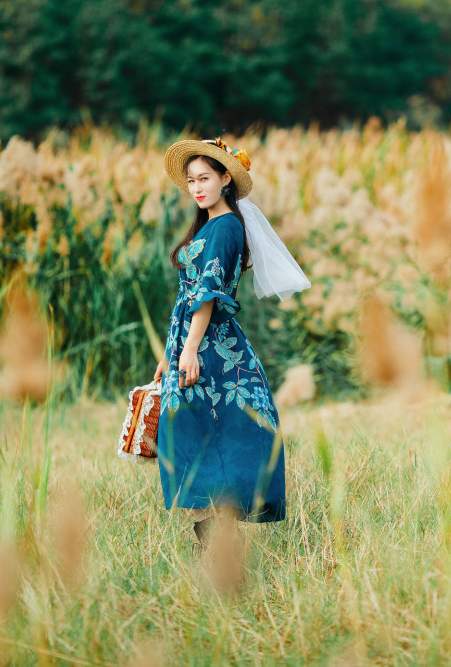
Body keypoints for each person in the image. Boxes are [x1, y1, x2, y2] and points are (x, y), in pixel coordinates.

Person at [154, 137, 310, 550]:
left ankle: (218, 535)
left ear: (226, 179)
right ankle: (215, 534)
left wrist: (188, 349)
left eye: (205, 178)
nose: (197, 187)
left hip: (211, 345)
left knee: (224, 428)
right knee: (195, 426)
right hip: (192, 341)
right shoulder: (208, 226)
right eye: (190, 181)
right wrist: (172, 353)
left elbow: (206, 293)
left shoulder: (226, 227)